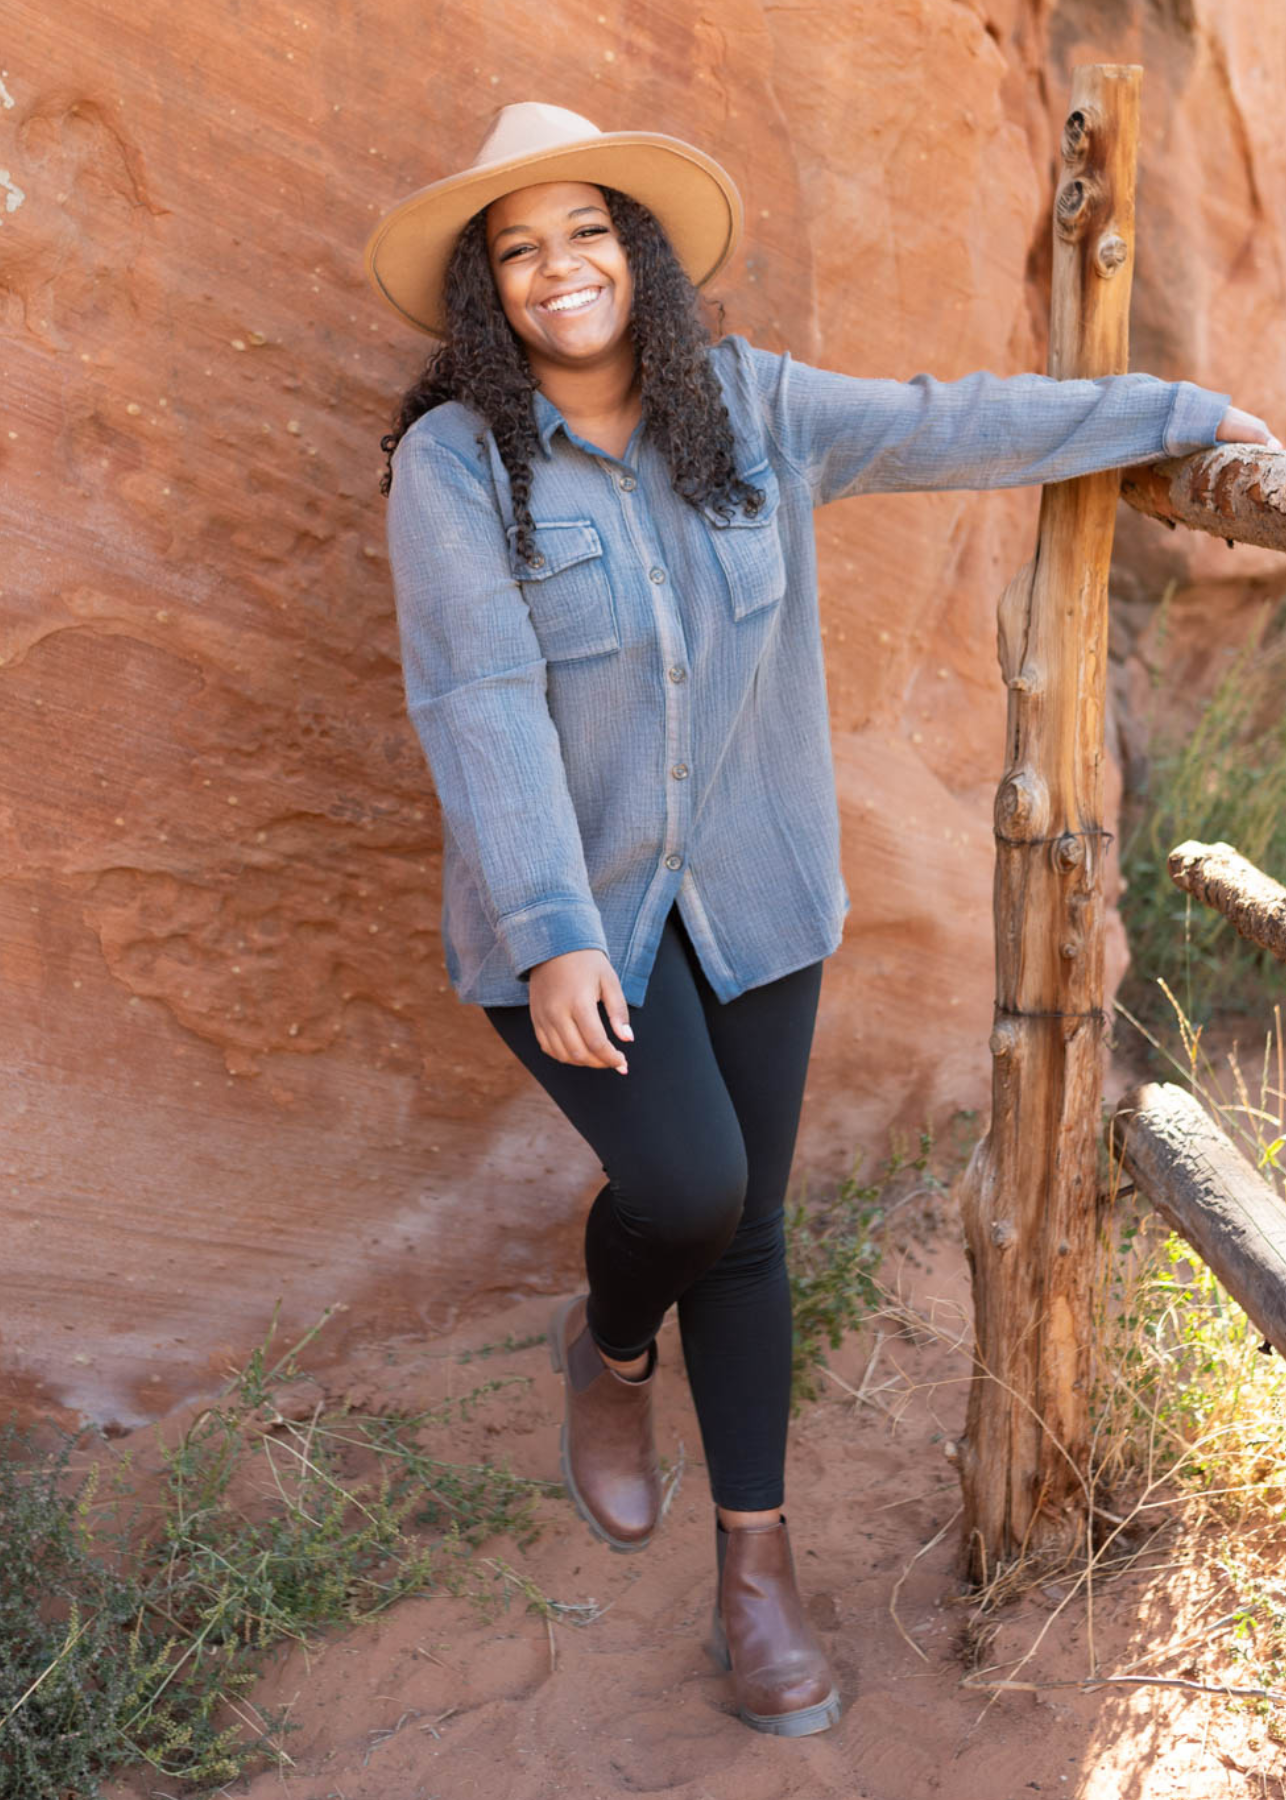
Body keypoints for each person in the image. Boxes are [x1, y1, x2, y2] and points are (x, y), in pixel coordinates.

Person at [363, 100, 1278, 1737]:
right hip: (561, 915)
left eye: (584, 233)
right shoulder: (455, 463)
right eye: (517, 251)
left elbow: (959, 422)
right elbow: (478, 699)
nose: (557, 270)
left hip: (757, 897)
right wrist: (560, 930)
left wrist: (1187, 410)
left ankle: (753, 1573)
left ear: (635, 254)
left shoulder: (753, 410)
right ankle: (609, 1348)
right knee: (690, 1184)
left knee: (751, 1227)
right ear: (485, 294)